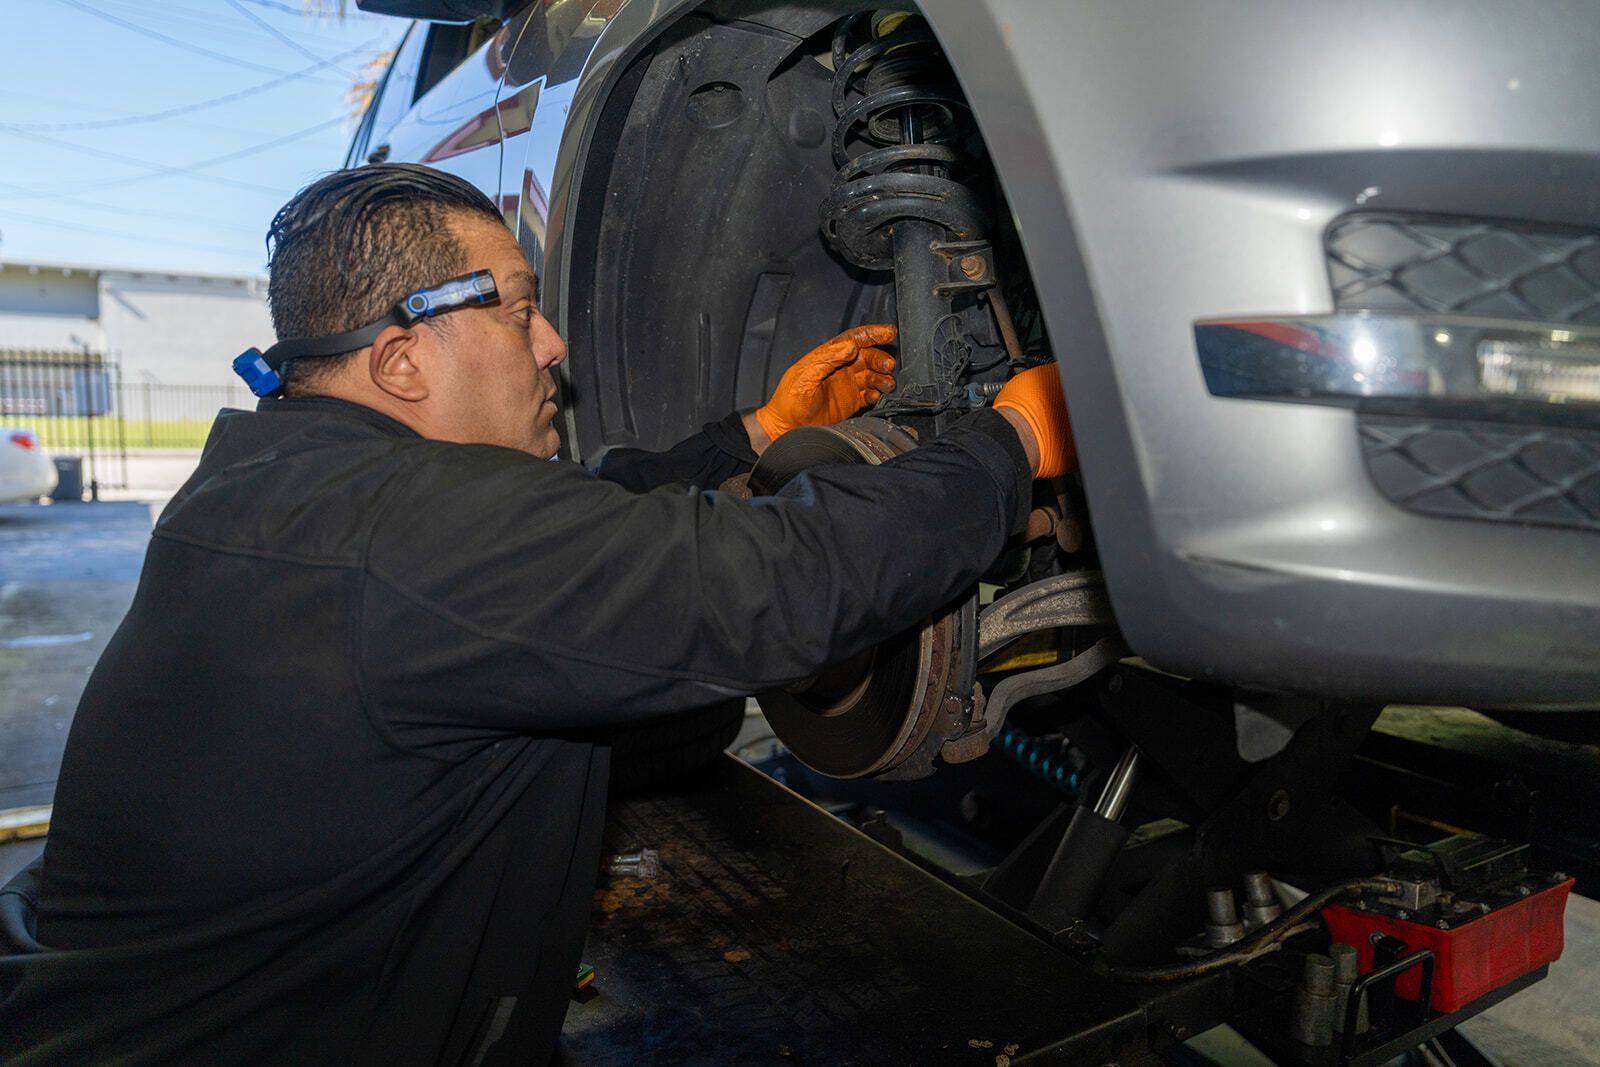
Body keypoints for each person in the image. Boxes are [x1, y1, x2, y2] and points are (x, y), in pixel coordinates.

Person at [0, 164, 1074, 1065]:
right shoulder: (400, 535)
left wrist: (755, 431)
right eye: (515, 307)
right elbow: (778, 588)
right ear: (401, 356)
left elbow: (571, 523)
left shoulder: (291, 481)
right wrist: (1010, 444)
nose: (552, 341)